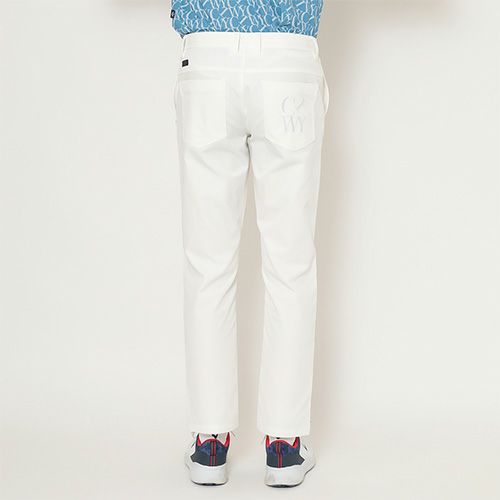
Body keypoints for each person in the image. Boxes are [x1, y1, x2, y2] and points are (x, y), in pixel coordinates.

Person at [170, 0, 329, 487]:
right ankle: (284, 445)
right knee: (290, 265)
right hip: (288, 61)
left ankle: (209, 442)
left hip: (207, 58)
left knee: (208, 265)